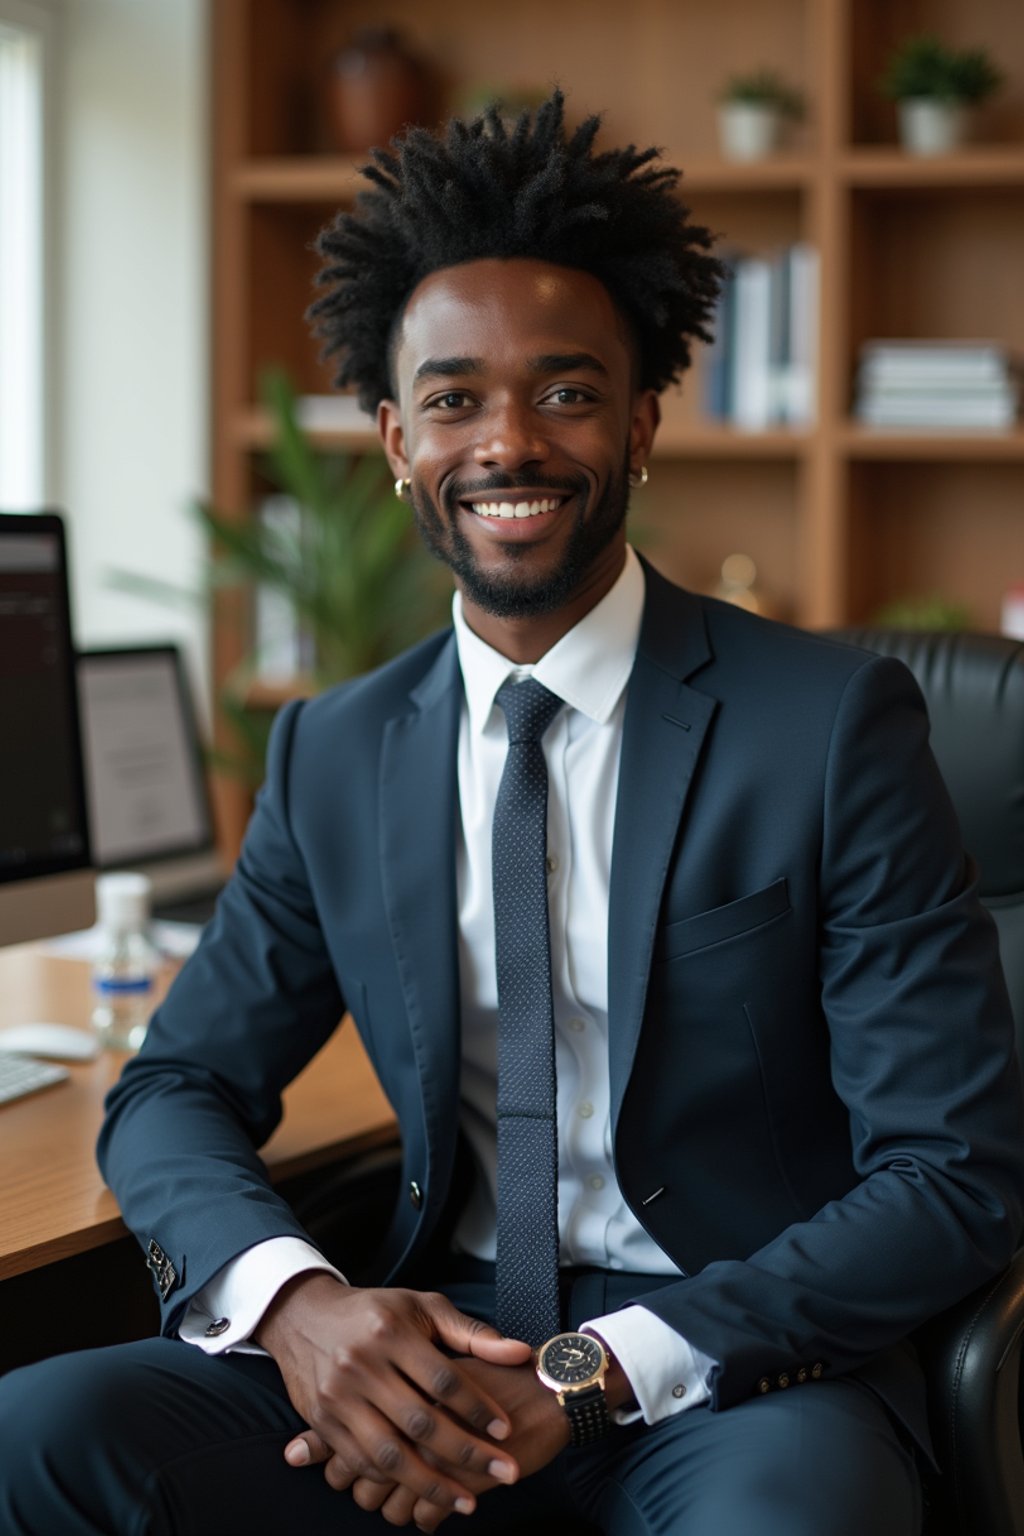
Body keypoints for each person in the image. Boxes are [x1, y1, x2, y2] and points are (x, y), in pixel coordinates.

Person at [1, 92, 1022, 1536]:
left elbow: (951, 1174)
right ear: (395, 440)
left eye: (566, 389)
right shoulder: (336, 752)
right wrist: (302, 1312)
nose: (510, 443)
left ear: (643, 419)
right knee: (40, 1434)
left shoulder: (829, 727)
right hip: (426, 1340)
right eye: (454, 399)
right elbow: (175, 1091)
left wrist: (593, 1372)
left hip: (738, 1371)